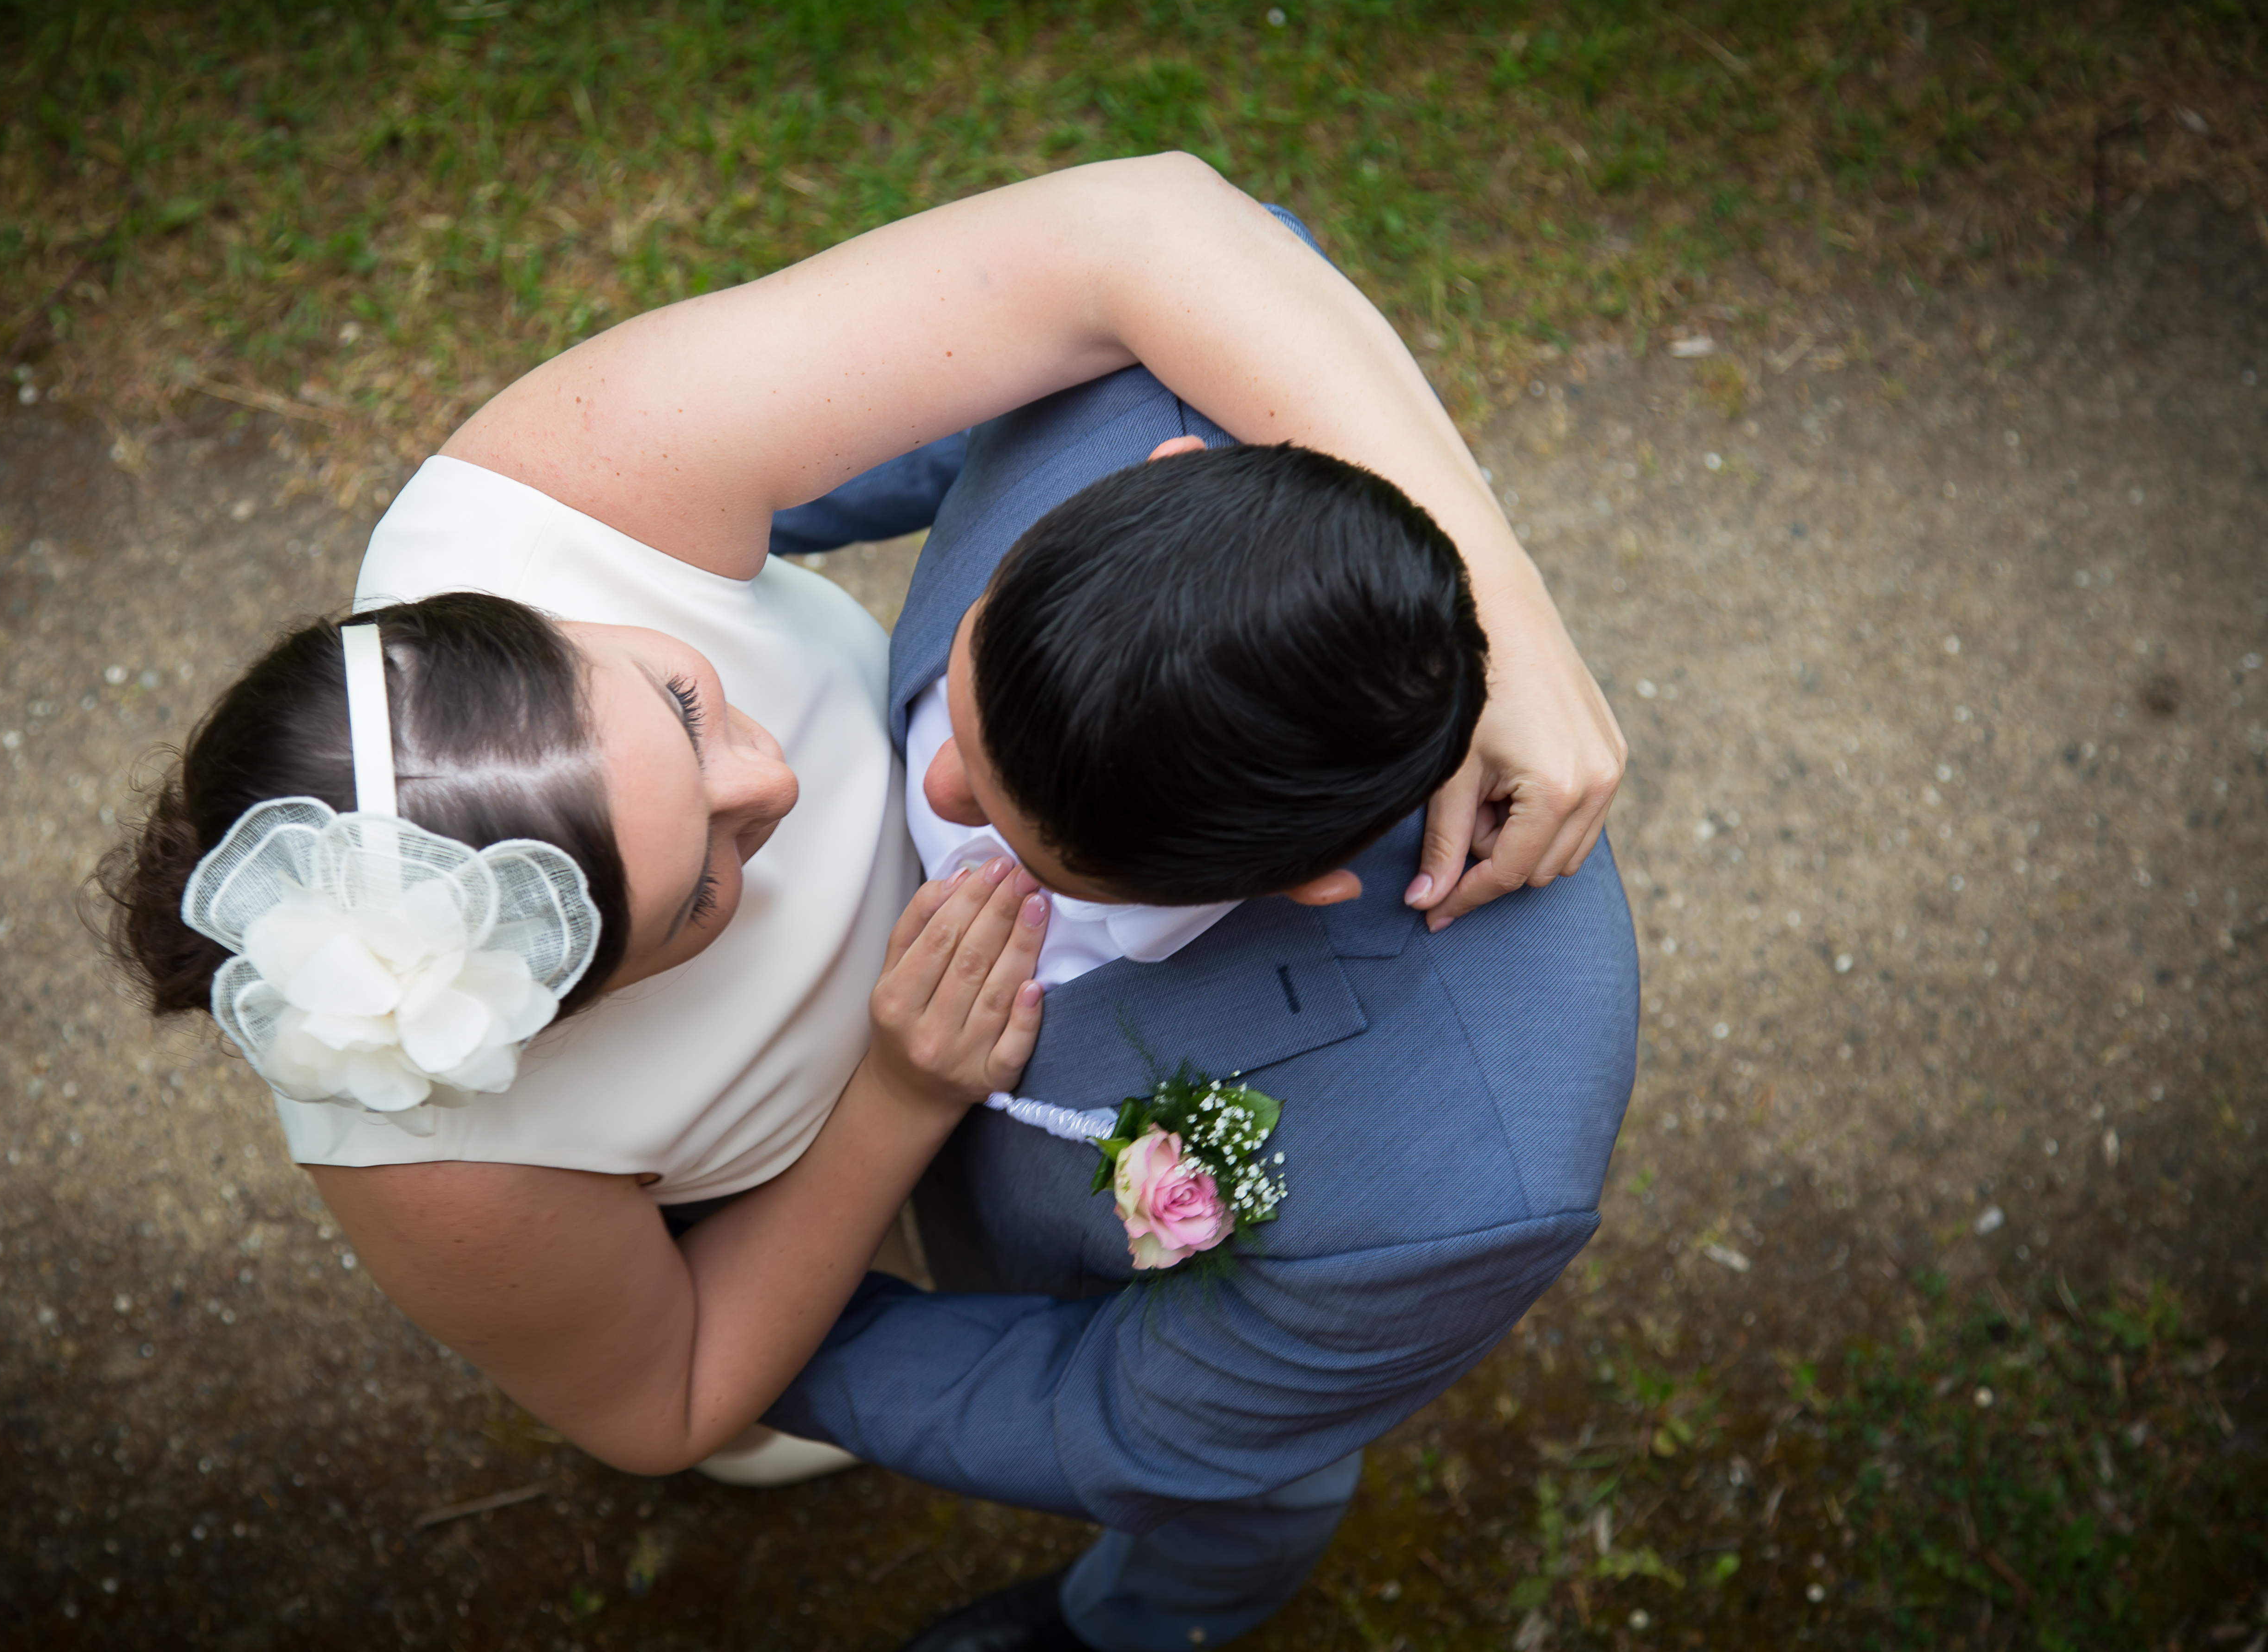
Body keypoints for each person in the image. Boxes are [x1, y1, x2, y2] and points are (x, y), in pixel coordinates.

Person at [102, 154, 1625, 1496]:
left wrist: (1510, 626)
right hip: (803, 1191)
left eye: (682, 706)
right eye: (706, 888)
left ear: (519, 618)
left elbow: (1144, 227)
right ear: (576, 1014)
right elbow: (659, 1401)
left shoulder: (566, 490)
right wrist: (896, 1098)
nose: (779, 786)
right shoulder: (444, 1142)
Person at [748, 205, 1640, 1651]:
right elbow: (863, 417)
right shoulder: (1143, 369)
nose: (935, 792)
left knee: (1239, 1508)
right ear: (1171, 470)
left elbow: (1118, 1418)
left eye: (1022, 832)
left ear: (1309, 882)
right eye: (971, 694)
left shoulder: (1467, 1169)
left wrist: (722, 1333)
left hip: (1146, 1339)